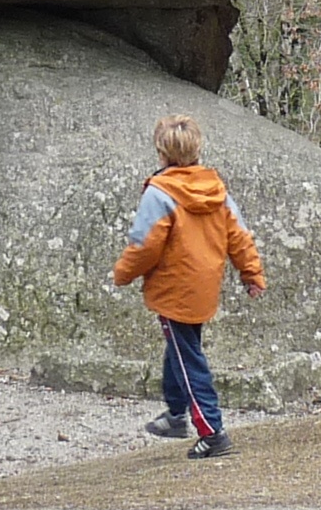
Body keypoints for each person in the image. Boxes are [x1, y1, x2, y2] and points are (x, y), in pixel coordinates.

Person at [111, 111, 266, 459]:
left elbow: (144, 243)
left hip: (174, 287)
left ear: (161, 152)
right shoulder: (215, 188)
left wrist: (122, 273)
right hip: (204, 284)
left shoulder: (160, 193)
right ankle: (176, 414)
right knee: (182, 348)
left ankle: (212, 432)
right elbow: (238, 235)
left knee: (187, 359)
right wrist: (251, 273)